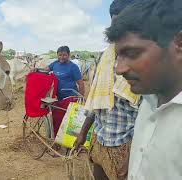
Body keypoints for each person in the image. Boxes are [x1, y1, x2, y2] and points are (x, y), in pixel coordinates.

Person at [105, 0, 182, 179]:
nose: (119, 69)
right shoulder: (148, 100)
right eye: (118, 56)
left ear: (179, 43)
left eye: (132, 54)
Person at [74, 0, 140, 180]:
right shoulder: (105, 57)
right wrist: (82, 133)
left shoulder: (145, 60)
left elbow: (148, 116)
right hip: (99, 139)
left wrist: (132, 157)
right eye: (115, 24)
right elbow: (95, 99)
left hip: (125, 146)